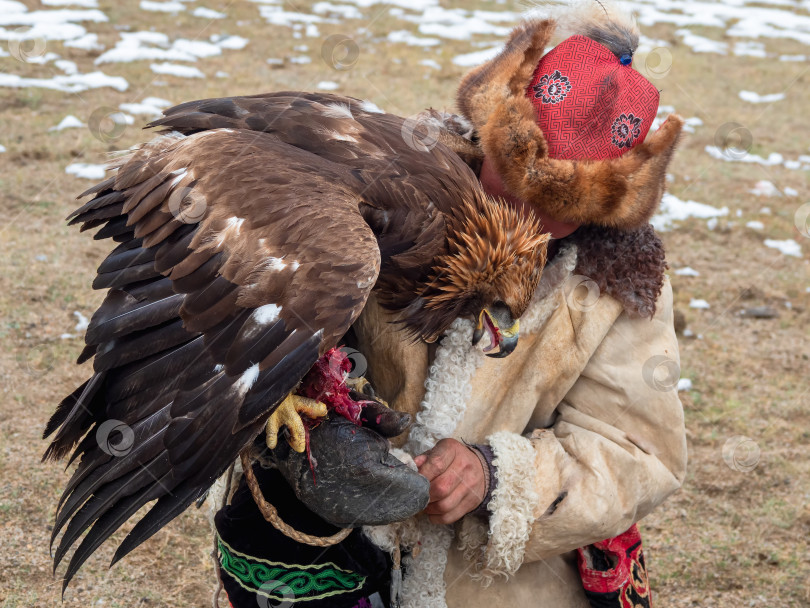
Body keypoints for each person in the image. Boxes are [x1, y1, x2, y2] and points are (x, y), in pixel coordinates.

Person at [214, 6, 687, 608]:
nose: (527, 219)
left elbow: (637, 452)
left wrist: (498, 479)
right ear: (493, 130)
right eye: (515, 182)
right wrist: (317, 417)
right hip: (331, 550)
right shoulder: (378, 189)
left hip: (496, 586)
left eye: (561, 204)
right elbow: (247, 322)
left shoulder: (622, 282)